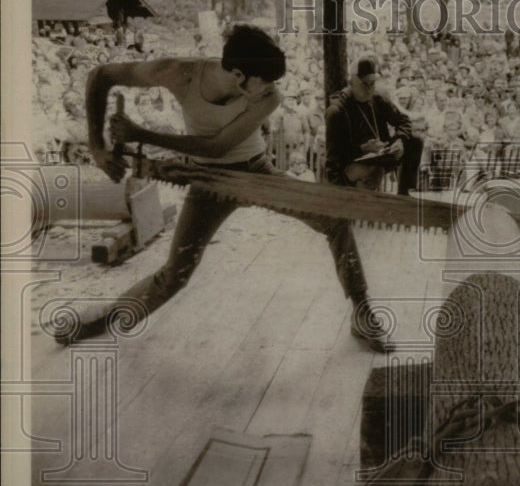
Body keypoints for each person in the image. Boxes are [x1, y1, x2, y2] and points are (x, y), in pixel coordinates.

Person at [69, 25, 393, 352]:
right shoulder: (179, 73)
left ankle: (361, 309)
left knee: (335, 219)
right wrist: (97, 146)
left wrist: (143, 134)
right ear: (238, 75)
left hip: (255, 171)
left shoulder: (270, 95)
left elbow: (217, 147)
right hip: (208, 182)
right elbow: (100, 76)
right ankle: (109, 315)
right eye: (264, 81)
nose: (271, 90)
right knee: (175, 276)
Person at [325, 57, 423, 195]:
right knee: (373, 171)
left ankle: (404, 193)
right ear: (351, 83)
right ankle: (362, 209)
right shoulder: (337, 111)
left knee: (415, 141)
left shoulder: (378, 99)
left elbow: (404, 121)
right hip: (350, 163)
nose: (369, 89)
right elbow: (334, 158)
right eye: (365, 84)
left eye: (372, 83)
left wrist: (400, 140)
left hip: (380, 155)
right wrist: (362, 149)